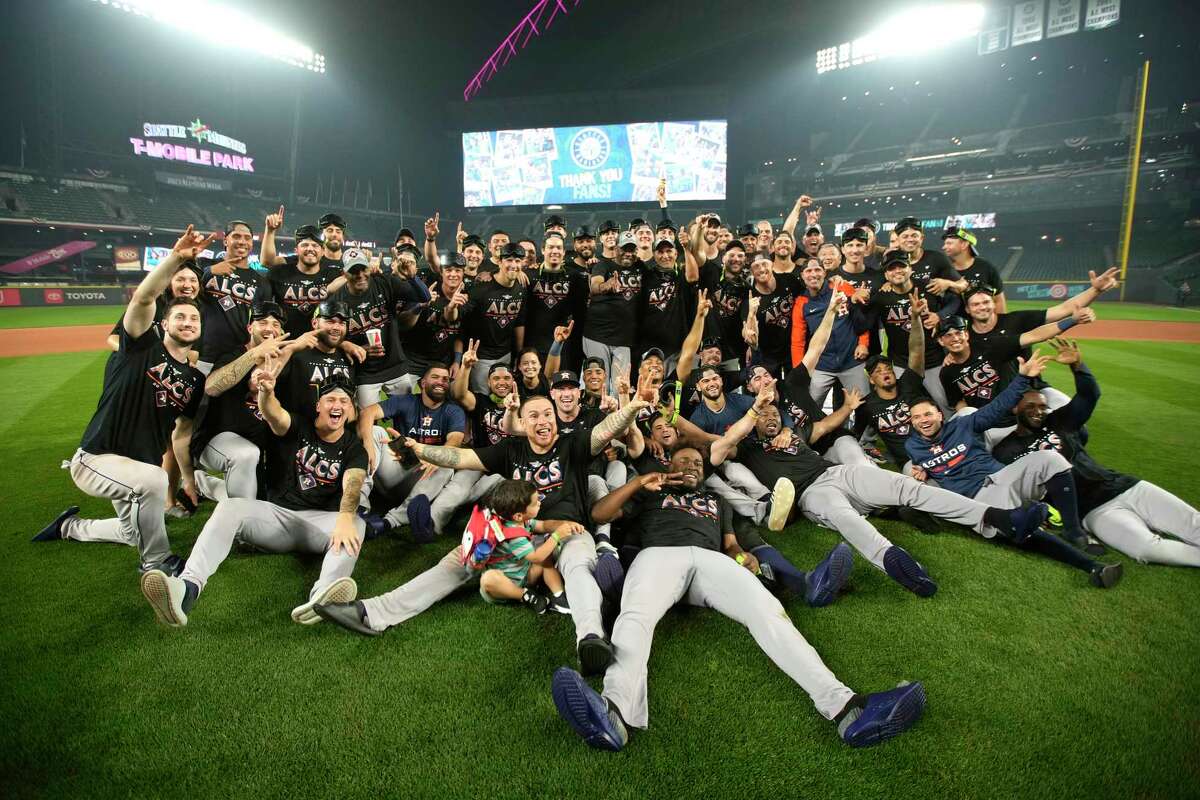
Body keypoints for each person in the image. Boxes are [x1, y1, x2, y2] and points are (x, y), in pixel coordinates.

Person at [549, 449, 926, 752]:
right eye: (684, 460)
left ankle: (847, 709)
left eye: (697, 462)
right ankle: (612, 712)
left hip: (711, 561)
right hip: (659, 554)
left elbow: (730, 544)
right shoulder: (652, 494)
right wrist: (637, 483)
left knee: (769, 613)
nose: (692, 466)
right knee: (635, 618)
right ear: (668, 464)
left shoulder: (715, 500)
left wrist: (742, 558)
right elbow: (600, 513)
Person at [314, 385, 657, 677]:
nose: (543, 421)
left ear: (556, 419)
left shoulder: (573, 444)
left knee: (579, 565)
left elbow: (606, 429)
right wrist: (419, 450)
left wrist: (634, 406)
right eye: (534, 415)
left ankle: (590, 639)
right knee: (455, 562)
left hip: (569, 529)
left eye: (547, 415)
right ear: (522, 422)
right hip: (514, 533)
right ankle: (372, 614)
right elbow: (460, 458)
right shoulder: (510, 449)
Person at [712, 376, 1055, 597]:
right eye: (763, 417)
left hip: (836, 473)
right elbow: (717, 451)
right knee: (844, 517)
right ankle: (894, 560)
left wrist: (846, 408)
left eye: (775, 415)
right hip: (810, 494)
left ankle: (998, 517)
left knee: (906, 486)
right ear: (751, 423)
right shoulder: (747, 447)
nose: (771, 419)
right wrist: (754, 410)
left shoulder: (796, 433)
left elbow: (828, 424)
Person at [36, 226, 211, 575]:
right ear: (163, 323)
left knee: (133, 531)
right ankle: (157, 562)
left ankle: (68, 527)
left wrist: (189, 480)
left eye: (194, 318)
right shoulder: (140, 347)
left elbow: (181, 434)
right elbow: (144, 299)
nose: (188, 321)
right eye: (180, 316)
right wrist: (176, 258)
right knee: (155, 481)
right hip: (98, 459)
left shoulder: (195, 379)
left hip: (133, 468)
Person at [139, 371, 369, 627]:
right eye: (330, 400)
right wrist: (266, 393)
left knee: (357, 525)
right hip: (275, 518)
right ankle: (187, 588)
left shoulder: (353, 448)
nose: (337, 405)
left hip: (318, 527)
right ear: (319, 405)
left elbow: (354, 482)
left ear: (350, 410)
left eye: (344, 401)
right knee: (230, 506)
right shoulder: (297, 425)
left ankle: (323, 599)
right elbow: (274, 413)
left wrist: (346, 517)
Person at [906, 353, 1124, 588]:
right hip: (978, 497)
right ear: (911, 422)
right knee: (1019, 525)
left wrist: (1022, 378)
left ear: (940, 414)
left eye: (927, 414)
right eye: (916, 417)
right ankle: (1090, 566)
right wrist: (922, 472)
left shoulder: (963, 424)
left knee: (1050, 459)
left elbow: (997, 407)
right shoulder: (913, 447)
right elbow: (921, 468)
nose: (923, 420)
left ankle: (1073, 530)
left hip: (1003, 475)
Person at [993, 339, 1200, 567]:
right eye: (1030, 407)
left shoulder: (1059, 421)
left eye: (1042, 406)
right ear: (1014, 408)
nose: (1038, 412)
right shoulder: (1005, 450)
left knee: (1194, 523)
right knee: (1146, 549)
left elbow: (1089, 396)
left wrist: (1078, 366)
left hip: (1122, 486)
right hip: (1094, 513)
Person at [187, 301, 292, 502]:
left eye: (276, 324)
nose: (270, 328)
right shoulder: (232, 354)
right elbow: (211, 387)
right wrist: (254, 354)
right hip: (215, 440)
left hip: (257, 446)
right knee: (245, 455)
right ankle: (238, 525)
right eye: (262, 322)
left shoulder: (286, 363)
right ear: (250, 328)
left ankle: (204, 483)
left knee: (261, 499)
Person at [361, 363, 466, 541]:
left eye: (445, 379)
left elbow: (454, 441)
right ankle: (361, 506)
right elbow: (367, 413)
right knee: (374, 432)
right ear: (423, 383)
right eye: (435, 377)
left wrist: (437, 456)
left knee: (446, 464)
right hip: (396, 465)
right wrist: (368, 445)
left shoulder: (453, 410)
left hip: (420, 480)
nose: (441, 382)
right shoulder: (406, 401)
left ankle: (390, 521)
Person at [328, 247, 430, 408]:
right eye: (354, 270)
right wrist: (354, 347)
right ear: (344, 273)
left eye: (363, 268)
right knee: (366, 421)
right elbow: (328, 336)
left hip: (395, 365)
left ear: (369, 267)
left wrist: (412, 277)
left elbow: (424, 297)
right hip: (365, 373)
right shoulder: (337, 300)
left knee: (404, 416)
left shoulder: (383, 282)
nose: (360, 275)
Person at [863, 250, 960, 411]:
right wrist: (858, 300)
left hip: (933, 360)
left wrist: (940, 316)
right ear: (886, 275)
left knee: (946, 405)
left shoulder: (928, 286)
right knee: (904, 406)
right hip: (902, 363)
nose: (897, 271)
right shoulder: (881, 297)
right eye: (891, 269)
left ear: (910, 269)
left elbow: (955, 301)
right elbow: (864, 324)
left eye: (901, 266)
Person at [471, 479, 573, 614]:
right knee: (488, 579)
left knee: (546, 557)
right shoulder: (513, 535)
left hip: (524, 574)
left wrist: (564, 524)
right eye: (535, 502)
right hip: (504, 585)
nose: (539, 502)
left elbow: (542, 526)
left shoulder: (519, 520)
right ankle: (525, 596)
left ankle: (559, 596)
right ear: (518, 515)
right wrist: (557, 535)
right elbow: (536, 557)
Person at [196, 220, 273, 373]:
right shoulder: (204, 265)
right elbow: (185, 292)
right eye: (236, 236)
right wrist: (209, 271)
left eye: (247, 238)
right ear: (225, 240)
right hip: (202, 353)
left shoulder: (261, 282)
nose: (242, 242)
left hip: (237, 356)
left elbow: (262, 321)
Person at [791, 259, 870, 404]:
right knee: (809, 407)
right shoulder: (801, 303)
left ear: (825, 273)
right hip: (821, 366)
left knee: (865, 405)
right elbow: (797, 341)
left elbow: (859, 319)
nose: (813, 274)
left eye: (817, 270)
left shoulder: (842, 287)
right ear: (802, 275)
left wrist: (863, 343)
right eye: (808, 271)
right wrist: (800, 372)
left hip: (852, 360)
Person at [260, 209, 344, 337]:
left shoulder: (332, 274)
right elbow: (267, 261)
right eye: (305, 245)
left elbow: (353, 278)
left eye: (315, 246)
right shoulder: (280, 272)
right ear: (296, 250)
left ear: (322, 251)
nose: (310, 249)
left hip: (318, 345)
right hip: (284, 342)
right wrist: (270, 231)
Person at [461, 241, 528, 393]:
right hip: (481, 358)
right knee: (482, 399)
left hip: (506, 356)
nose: (514, 265)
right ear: (499, 261)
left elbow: (519, 323)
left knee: (503, 401)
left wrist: (518, 354)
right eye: (509, 260)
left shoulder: (521, 288)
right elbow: (461, 318)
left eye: (517, 261)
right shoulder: (481, 288)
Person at [274, 300, 356, 419]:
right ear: (314, 323)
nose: (336, 327)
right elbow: (261, 382)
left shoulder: (349, 357)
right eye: (330, 321)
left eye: (342, 323)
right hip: (299, 431)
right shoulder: (295, 353)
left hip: (336, 432)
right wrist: (290, 349)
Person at [584, 231, 642, 394]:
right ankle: (596, 418)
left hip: (624, 338)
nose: (628, 254)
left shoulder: (640, 267)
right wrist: (605, 286)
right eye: (625, 249)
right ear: (616, 248)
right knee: (599, 385)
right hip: (597, 334)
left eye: (632, 250)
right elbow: (594, 286)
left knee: (620, 388)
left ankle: (618, 420)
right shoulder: (603, 265)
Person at [741, 254, 796, 373]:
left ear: (772, 265)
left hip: (793, 350)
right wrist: (751, 314)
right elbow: (747, 332)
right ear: (751, 272)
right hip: (768, 357)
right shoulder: (749, 299)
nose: (761, 269)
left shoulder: (789, 280)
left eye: (764, 264)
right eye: (756, 267)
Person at [942, 226, 1006, 310]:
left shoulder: (986, 267)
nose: (944, 247)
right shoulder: (942, 268)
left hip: (979, 321)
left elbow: (998, 301)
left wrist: (1002, 322)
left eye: (949, 243)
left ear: (964, 244)